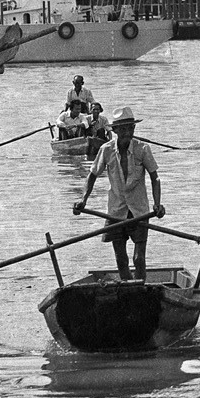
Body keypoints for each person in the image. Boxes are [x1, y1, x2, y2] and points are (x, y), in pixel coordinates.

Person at [74, 105, 165, 280]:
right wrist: (83, 200)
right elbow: (92, 175)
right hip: (116, 210)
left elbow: (155, 178)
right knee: (121, 260)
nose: (127, 133)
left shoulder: (142, 149)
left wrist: (157, 204)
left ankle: (140, 288)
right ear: (115, 130)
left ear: (134, 128)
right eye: (123, 129)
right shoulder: (106, 150)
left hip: (139, 210)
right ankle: (127, 288)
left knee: (139, 259)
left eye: (130, 128)